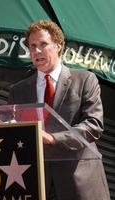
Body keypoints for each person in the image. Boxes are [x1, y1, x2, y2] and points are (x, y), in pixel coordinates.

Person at [8, 20, 110, 200]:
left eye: (43, 44)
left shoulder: (85, 79)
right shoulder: (18, 90)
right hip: (36, 183)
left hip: (79, 182)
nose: (36, 51)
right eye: (32, 46)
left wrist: (53, 138)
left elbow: (93, 125)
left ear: (58, 46)